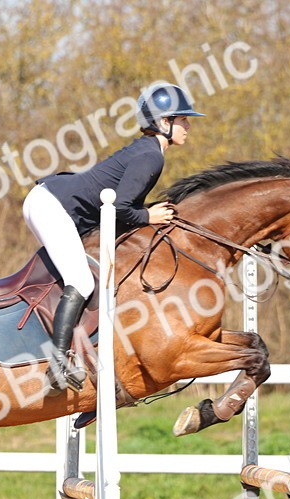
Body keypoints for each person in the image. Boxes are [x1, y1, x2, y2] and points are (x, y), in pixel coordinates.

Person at [23, 81, 204, 393]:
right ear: (164, 122)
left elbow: (121, 205)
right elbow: (121, 208)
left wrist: (145, 212)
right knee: (81, 282)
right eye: (183, 119)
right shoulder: (151, 157)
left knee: (82, 277)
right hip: (51, 207)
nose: (188, 125)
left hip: (52, 202)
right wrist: (149, 216)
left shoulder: (147, 151)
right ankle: (57, 362)